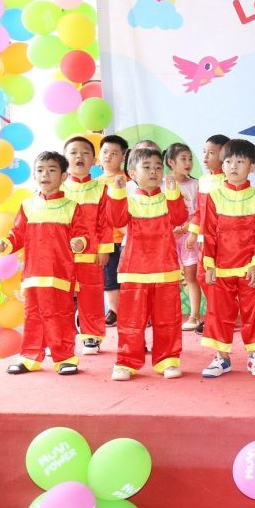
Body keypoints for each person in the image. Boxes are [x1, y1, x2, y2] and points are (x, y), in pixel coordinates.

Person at [0, 152, 88, 375]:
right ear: (34, 175)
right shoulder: (28, 205)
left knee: (60, 316)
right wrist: (7, 244)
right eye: (40, 170)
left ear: (64, 176)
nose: (45, 175)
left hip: (60, 273)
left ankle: (64, 358)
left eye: (51, 170)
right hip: (33, 274)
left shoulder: (72, 207)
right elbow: (17, 233)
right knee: (33, 316)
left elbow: (82, 233)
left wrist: (80, 242)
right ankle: (30, 357)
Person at [106, 147, 189, 380]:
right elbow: (115, 219)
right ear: (133, 173)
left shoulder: (168, 197)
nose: (154, 171)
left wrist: (173, 193)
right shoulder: (129, 199)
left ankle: (168, 360)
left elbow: (180, 218)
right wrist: (117, 193)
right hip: (134, 269)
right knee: (131, 320)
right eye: (147, 167)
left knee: (168, 319)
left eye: (158, 167)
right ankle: (126, 361)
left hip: (165, 267)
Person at [200, 139, 255, 378]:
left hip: (248, 268)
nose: (233, 166)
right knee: (219, 313)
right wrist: (209, 265)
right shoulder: (213, 196)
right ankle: (222, 359)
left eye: (240, 161)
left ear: (252, 167)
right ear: (222, 165)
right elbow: (208, 232)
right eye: (229, 161)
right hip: (220, 268)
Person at [62, 136, 113, 357]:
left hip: (91, 255)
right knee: (60, 298)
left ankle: (91, 335)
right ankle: (58, 338)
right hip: (61, 256)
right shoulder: (58, 188)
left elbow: (106, 222)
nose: (79, 156)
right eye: (73, 152)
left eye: (85, 152)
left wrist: (104, 249)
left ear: (94, 160)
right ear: (65, 158)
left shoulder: (101, 189)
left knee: (91, 296)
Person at [186, 133, 229, 336]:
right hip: (205, 240)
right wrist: (193, 233)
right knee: (203, 276)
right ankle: (215, 313)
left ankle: (221, 316)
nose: (205, 156)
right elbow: (199, 211)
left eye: (211, 152)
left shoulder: (229, 180)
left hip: (225, 240)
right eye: (204, 152)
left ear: (224, 155)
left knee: (221, 279)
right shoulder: (203, 181)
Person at [165, 143, 202, 331]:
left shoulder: (196, 185)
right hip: (168, 236)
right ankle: (168, 316)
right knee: (169, 278)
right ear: (171, 162)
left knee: (191, 275)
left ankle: (194, 316)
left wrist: (186, 227)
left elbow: (200, 211)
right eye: (183, 159)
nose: (188, 163)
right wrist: (172, 228)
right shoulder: (163, 184)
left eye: (190, 159)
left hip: (190, 235)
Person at [97, 134, 129, 327]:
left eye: (114, 153)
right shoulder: (95, 183)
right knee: (109, 278)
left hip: (126, 238)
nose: (108, 156)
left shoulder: (129, 180)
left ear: (123, 157)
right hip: (105, 239)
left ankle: (134, 310)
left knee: (128, 277)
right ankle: (114, 311)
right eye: (105, 152)